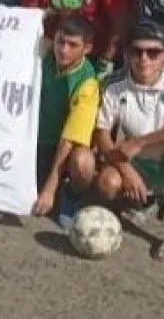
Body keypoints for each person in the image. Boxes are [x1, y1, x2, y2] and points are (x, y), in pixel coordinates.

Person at [94, 21, 164, 266]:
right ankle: (146, 200)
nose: (144, 59)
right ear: (127, 54)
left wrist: (139, 142)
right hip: (140, 163)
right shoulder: (114, 84)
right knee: (107, 183)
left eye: (153, 53)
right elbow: (102, 134)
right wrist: (126, 169)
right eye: (137, 51)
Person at [33, 16, 100, 226]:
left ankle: (71, 195)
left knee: (84, 163)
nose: (63, 50)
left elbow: (70, 139)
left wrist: (50, 187)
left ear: (87, 48)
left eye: (73, 45)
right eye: (60, 41)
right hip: (33, 142)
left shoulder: (87, 83)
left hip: (64, 149)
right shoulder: (43, 54)